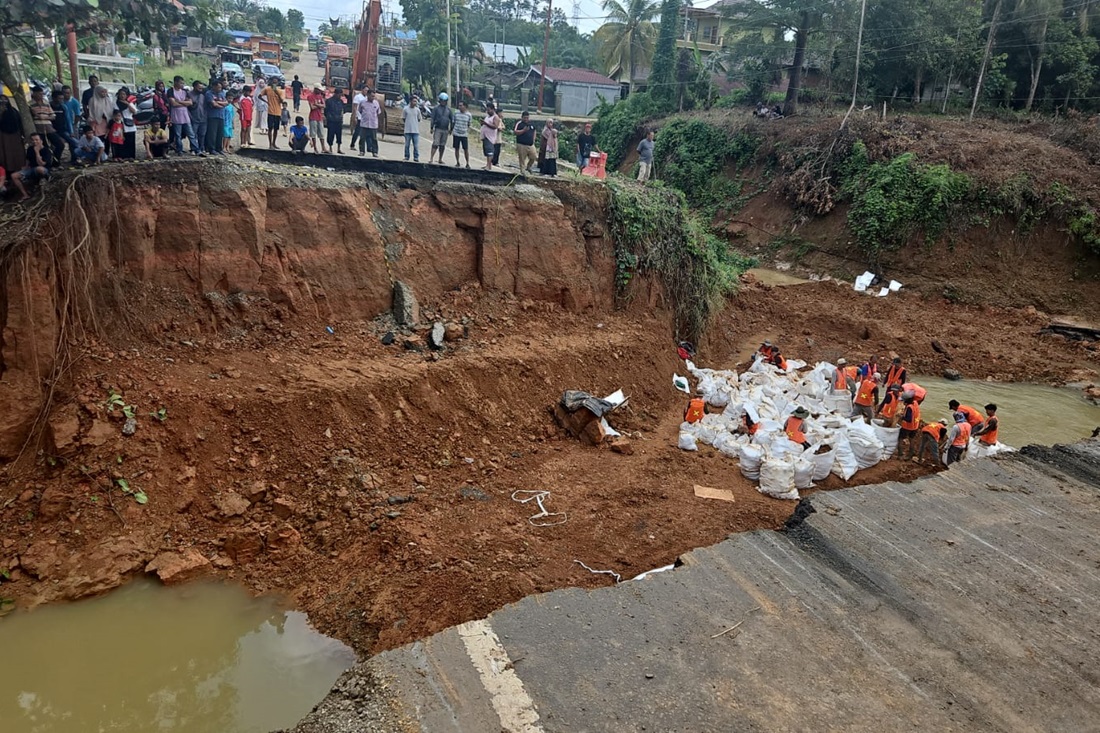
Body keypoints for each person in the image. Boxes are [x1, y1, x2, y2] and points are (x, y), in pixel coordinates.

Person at [10, 132, 53, 200]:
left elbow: (41, 164)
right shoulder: (30, 149)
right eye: (33, 140)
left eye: (36, 140)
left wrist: (37, 152)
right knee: (14, 175)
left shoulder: (46, 150)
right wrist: (25, 167)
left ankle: (46, 180)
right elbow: (28, 159)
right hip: (31, 169)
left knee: (39, 169)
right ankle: (25, 194)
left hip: (43, 169)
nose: (34, 142)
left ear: (41, 141)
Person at [169, 76, 198, 155]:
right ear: (176, 82)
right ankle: (179, 150)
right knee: (178, 135)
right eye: (181, 83)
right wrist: (184, 103)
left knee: (191, 134)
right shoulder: (171, 91)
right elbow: (173, 104)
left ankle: (195, 149)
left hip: (185, 116)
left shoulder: (185, 91)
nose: (182, 84)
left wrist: (179, 102)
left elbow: (190, 103)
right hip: (176, 116)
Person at [50, 89, 75, 163]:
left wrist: (71, 131)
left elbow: (68, 120)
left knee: (74, 142)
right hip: (52, 131)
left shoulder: (63, 107)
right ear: (54, 98)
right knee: (60, 145)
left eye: (62, 98)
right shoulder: (49, 106)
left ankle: (74, 159)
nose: (61, 100)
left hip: (63, 130)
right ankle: (55, 162)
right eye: (59, 98)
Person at [0, 97, 24, 177]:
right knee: (5, 154)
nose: (3, 101)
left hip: (15, 135)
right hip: (3, 136)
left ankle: (17, 171)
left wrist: (22, 134)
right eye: (1, 99)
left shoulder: (13, 111)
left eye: (5, 99)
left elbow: (20, 122)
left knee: (16, 154)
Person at [204, 80, 228, 155]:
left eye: (220, 87)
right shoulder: (209, 93)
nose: (219, 89)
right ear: (213, 86)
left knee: (220, 133)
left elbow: (226, 103)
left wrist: (219, 103)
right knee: (212, 133)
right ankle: (211, 148)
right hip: (212, 116)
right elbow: (213, 104)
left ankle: (219, 148)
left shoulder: (222, 93)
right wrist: (221, 105)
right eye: (218, 87)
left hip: (221, 116)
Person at [87, 85, 115, 150]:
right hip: (97, 122)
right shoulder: (92, 100)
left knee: (107, 138)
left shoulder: (107, 100)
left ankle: (106, 153)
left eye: (105, 92)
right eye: (102, 92)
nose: (104, 94)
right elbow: (91, 111)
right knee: (99, 138)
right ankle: (98, 153)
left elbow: (110, 110)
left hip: (106, 121)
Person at [429, 92, 454, 165]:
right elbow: (432, 118)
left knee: (442, 145)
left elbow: (452, 119)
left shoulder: (449, 110)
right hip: (438, 128)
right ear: (439, 100)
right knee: (435, 143)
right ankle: (431, 158)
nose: (443, 102)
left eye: (445, 101)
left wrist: (451, 129)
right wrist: (431, 127)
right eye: (442, 100)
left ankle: (440, 159)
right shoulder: (436, 108)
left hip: (445, 129)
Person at [356, 89, 381, 157]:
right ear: (368, 95)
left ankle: (375, 152)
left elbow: (378, 113)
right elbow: (360, 110)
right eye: (372, 96)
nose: (373, 98)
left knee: (374, 139)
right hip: (364, 124)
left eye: (374, 96)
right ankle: (362, 151)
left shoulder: (376, 103)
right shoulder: (362, 102)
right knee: (362, 138)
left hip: (373, 124)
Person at [897, 394, 921, 459]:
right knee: (911, 439)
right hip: (915, 426)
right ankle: (910, 454)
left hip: (907, 427)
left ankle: (900, 454)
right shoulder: (915, 403)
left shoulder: (909, 407)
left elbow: (909, 419)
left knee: (900, 439)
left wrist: (902, 417)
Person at [263, 79, 284, 149]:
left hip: (278, 112)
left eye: (275, 83)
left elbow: (282, 101)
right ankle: (270, 144)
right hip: (270, 111)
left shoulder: (280, 91)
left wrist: (276, 92)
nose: (274, 84)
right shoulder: (267, 89)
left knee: (276, 129)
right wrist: (266, 101)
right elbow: (260, 95)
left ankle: (274, 143)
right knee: (270, 128)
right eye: (273, 82)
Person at [188, 80, 207, 155]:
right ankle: (193, 149)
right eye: (199, 88)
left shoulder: (203, 96)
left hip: (203, 118)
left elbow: (205, 107)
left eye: (202, 88)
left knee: (202, 135)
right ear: (195, 87)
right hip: (194, 117)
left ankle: (201, 148)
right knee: (193, 135)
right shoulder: (189, 95)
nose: (201, 90)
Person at [324, 87, 345, 154]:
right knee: (330, 134)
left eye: (341, 95)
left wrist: (341, 118)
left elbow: (342, 110)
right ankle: (330, 148)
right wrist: (328, 118)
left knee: (339, 135)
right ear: (335, 93)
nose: (340, 96)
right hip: (331, 120)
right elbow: (326, 111)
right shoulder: (329, 101)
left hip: (339, 120)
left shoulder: (341, 101)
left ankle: (339, 148)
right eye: (339, 94)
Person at [452, 100, 471, 167]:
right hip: (456, 133)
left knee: (465, 149)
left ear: (465, 106)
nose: (459, 107)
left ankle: (467, 163)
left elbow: (469, 124)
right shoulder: (456, 113)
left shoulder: (468, 115)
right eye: (459, 105)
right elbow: (453, 122)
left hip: (464, 134)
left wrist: (466, 130)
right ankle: (457, 162)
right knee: (456, 148)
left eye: (461, 105)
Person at [480, 103, 500, 171]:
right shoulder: (488, 116)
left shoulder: (495, 117)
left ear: (493, 109)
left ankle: (489, 166)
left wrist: (486, 123)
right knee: (486, 151)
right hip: (485, 136)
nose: (488, 111)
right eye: (487, 110)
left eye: (489, 110)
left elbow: (495, 126)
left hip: (490, 137)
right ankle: (487, 164)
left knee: (490, 152)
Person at [307, 85, 326, 153]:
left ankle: (323, 147)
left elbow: (324, 105)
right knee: (313, 133)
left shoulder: (320, 96)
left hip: (319, 116)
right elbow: (312, 107)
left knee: (321, 133)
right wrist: (319, 105)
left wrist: (317, 104)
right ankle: (315, 148)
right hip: (313, 117)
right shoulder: (310, 96)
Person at [403, 95, 422, 162]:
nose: (415, 103)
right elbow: (404, 118)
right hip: (407, 130)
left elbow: (419, 119)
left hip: (415, 130)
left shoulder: (417, 110)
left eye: (416, 101)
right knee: (407, 145)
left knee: (416, 145)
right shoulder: (405, 109)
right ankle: (406, 156)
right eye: (414, 101)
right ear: (410, 101)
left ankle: (416, 157)